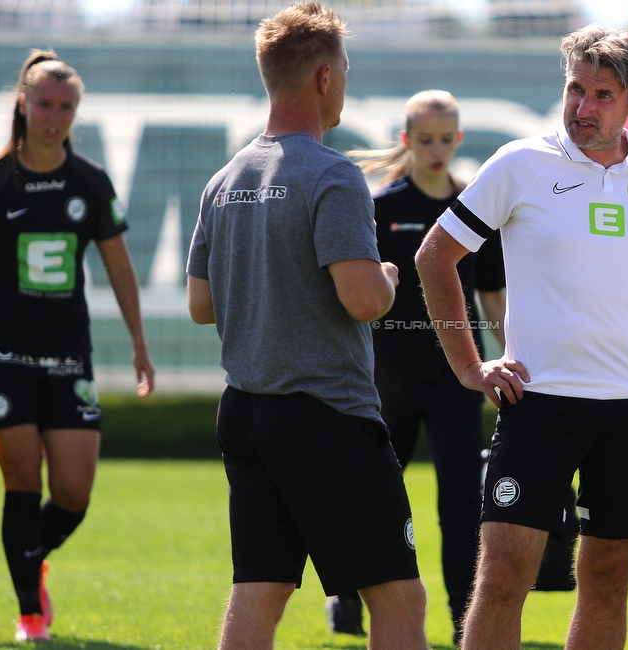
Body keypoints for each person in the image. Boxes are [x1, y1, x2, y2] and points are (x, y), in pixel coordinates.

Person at [415, 24, 628, 650]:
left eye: (602, 95)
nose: (583, 107)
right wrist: (470, 368)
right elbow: (435, 257)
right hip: (539, 403)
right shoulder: (520, 164)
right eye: (575, 89)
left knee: (607, 579)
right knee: (502, 575)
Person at [185, 4, 429, 649]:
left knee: (259, 592)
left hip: (245, 412)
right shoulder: (333, 173)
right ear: (324, 78)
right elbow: (362, 301)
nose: (345, 82)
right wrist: (387, 279)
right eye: (344, 70)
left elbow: (201, 306)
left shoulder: (225, 179)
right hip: (325, 413)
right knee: (400, 596)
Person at [0, 50, 155, 642]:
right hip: (0, 355)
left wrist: (140, 345)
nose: (54, 116)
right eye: (44, 104)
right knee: (23, 480)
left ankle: (31, 555)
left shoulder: (90, 182)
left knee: (73, 492)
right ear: (23, 103)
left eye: (65, 107)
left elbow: (119, 269)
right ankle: (29, 614)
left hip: (69, 354)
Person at [323, 89, 505, 643]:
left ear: (459, 140)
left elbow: (494, 296)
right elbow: (352, 296)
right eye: (424, 139)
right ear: (407, 140)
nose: (436, 149)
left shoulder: (474, 207)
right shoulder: (381, 207)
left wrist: (517, 355)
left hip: (455, 381)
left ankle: (459, 620)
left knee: (459, 502)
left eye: (446, 139)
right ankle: (348, 596)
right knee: (371, 497)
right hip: (385, 383)